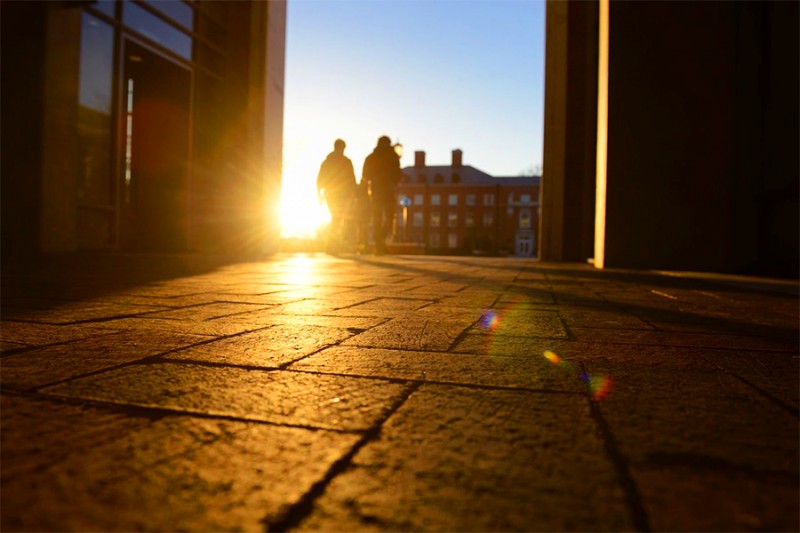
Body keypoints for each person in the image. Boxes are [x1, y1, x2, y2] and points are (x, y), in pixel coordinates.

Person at [362, 135, 401, 254]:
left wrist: (374, 179)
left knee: (377, 218)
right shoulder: (393, 156)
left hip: (375, 191)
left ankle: (379, 243)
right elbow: (397, 174)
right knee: (390, 218)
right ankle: (381, 241)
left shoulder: (371, 157)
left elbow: (365, 175)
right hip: (388, 190)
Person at [316, 139, 356, 249]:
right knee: (337, 217)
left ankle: (332, 244)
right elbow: (351, 179)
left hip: (331, 193)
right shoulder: (346, 162)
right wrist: (353, 194)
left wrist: (319, 194)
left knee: (336, 217)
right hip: (339, 194)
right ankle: (332, 244)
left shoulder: (327, 162)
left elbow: (319, 180)